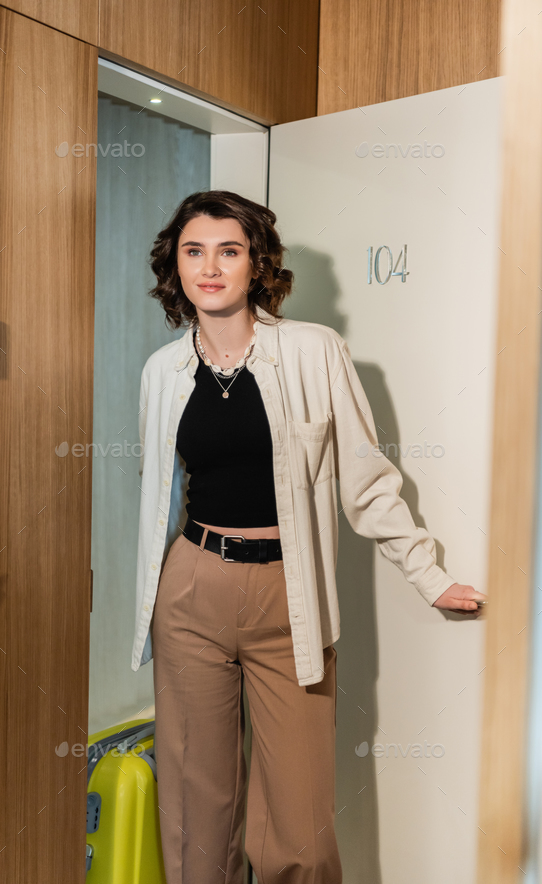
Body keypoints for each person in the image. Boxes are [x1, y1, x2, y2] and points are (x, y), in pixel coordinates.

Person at [134, 190, 487, 884]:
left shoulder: (314, 352)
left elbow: (365, 478)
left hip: (288, 600)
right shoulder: (161, 372)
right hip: (192, 587)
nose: (210, 267)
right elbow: (157, 499)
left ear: (255, 263)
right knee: (192, 820)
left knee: (299, 832)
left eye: (228, 251)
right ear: (174, 268)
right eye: (193, 251)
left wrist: (427, 573)